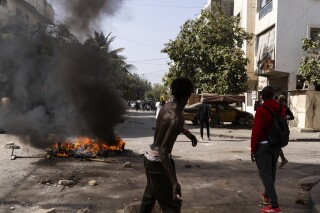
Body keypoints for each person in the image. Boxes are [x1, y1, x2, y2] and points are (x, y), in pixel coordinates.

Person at [140, 77, 197, 213]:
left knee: (149, 198)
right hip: (158, 162)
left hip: (149, 158)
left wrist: (186, 132)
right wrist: (174, 182)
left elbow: (165, 126)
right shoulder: (177, 118)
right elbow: (163, 152)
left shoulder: (166, 107)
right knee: (172, 206)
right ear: (189, 95)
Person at [251, 86, 285, 213]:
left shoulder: (261, 110)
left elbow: (257, 132)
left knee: (265, 175)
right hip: (276, 145)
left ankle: (274, 206)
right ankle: (266, 196)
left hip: (263, 146)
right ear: (273, 96)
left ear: (262, 97)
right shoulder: (281, 108)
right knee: (271, 173)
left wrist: (253, 149)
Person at [277, 95, 294, 168]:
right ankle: (282, 159)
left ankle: (282, 159)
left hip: (277, 127)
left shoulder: (278, 106)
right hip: (284, 127)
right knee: (277, 144)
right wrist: (285, 118)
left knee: (276, 144)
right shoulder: (286, 107)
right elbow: (292, 117)